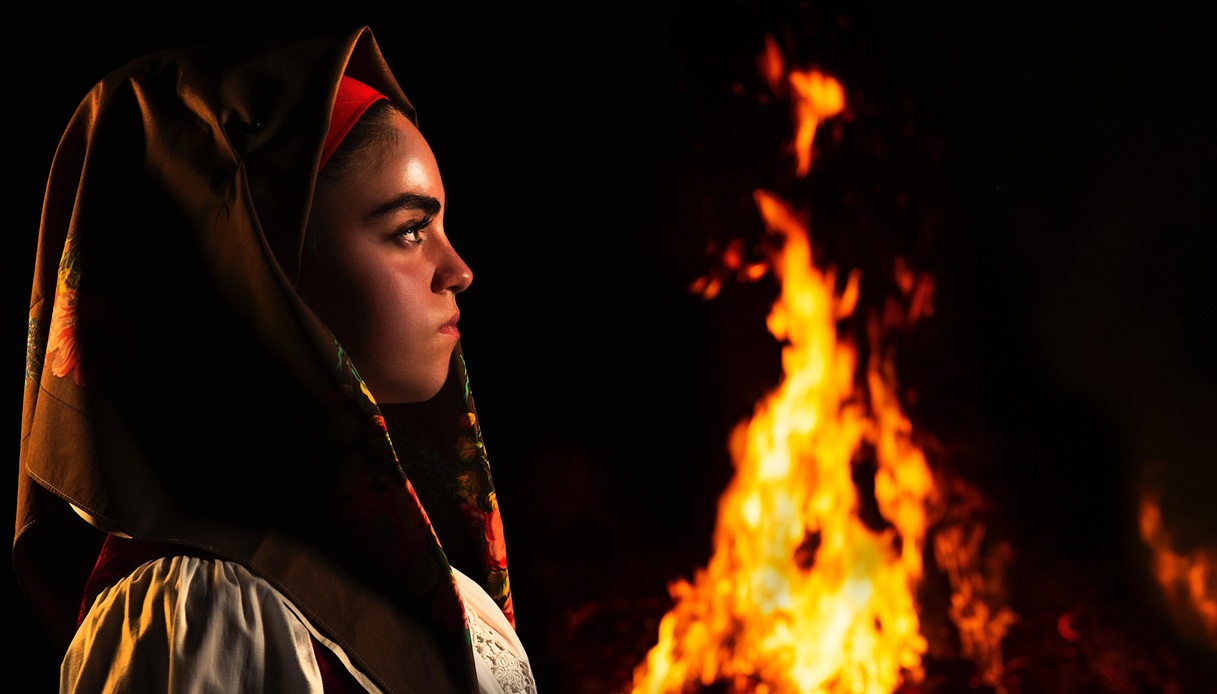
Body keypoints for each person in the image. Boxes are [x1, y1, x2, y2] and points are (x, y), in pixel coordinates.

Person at [15, 25, 536, 693]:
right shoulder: (199, 608)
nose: (458, 270)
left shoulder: (454, 600)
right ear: (262, 274)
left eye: (440, 226)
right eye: (408, 230)